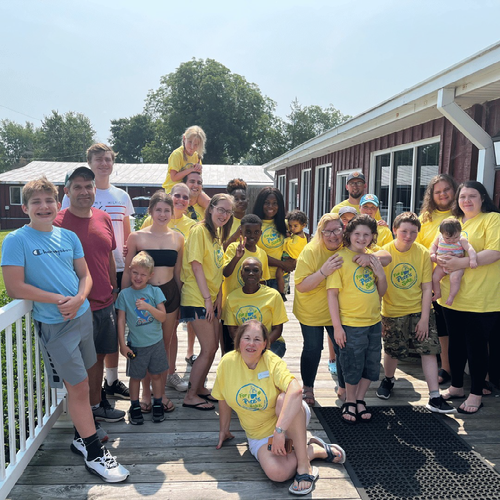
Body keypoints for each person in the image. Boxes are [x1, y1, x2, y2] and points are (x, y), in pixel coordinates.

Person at [1, 177, 129, 482]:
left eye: (49, 201)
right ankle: (95, 454)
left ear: (59, 204)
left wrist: (80, 298)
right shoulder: (17, 240)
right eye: (36, 202)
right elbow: (14, 287)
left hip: (82, 316)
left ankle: (80, 437)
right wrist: (59, 300)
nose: (44, 206)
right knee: (78, 386)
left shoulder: (68, 236)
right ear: (25, 207)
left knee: (85, 377)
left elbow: (85, 275)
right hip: (55, 323)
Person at [213, 320, 346, 495]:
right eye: (247, 338)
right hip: (258, 434)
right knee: (277, 473)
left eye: (257, 339)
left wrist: (279, 431)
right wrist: (224, 430)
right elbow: (222, 397)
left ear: (265, 344)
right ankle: (312, 451)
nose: (251, 344)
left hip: (288, 420)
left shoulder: (271, 361)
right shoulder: (227, 363)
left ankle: (304, 466)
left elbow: (296, 390)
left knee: (285, 398)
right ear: (238, 341)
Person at [62, 143, 134, 400]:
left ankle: (107, 385)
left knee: (109, 338)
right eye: (98, 159)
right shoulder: (64, 211)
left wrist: (117, 282)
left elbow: (123, 237)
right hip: (78, 289)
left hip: (111, 277)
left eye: (108, 159)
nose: (104, 163)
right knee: (84, 349)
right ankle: (88, 400)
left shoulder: (117, 201)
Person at [54, 166, 125, 426]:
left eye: (88, 186)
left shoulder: (103, 218)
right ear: (67, 191)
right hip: (76, 306)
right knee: (78, 362)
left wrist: (113, 289)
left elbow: (108, 256)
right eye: (77, 187)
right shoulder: (57, 223)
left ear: (95, 189)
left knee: (98, 357)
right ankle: (82, 414)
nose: (84, 191)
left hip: (104, 302)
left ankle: (96, 405)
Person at [376, 212, 455, 414]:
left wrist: (424, 318)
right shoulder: (385, 252)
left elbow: (427, 287)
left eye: (413, 232)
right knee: (392, 351)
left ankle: (435, 396)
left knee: (428, 350)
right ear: (394, 230)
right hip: (393, 311)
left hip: (420, 310)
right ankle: (388, 379)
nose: (408, 236)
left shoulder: (422, 253)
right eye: (404, 231)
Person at [437, 181, 500, 414]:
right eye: (463, 196)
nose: (467, 200)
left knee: (476, 346)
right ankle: (456, 387)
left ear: (483, 198)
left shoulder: (492, 219)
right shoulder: (455, 222)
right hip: (451, 297)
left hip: (481, 297)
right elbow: (439, 246)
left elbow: (495, 252)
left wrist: (459, 263)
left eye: (472, 196)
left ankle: (475, 393)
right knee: (455, 344)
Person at [122, 191, 185, 412]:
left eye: (167, 210)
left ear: (172, 213)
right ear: (150, 211)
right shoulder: (136, 237)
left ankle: (161, 393)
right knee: (145, 345)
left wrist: (179, 300)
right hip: (143, 295)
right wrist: (124, 299)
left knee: (163, 345)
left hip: (169, 294)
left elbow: (178, 272)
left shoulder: (178, 238)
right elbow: (128, 271)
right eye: (158, 210)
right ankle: (145, 394)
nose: (162, 214)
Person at [327, 214, 388, 424]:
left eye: (366, 235)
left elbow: (381, 292)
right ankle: (350, 400)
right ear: (349, 234)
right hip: (351, 324)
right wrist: (337, 327)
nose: (362, 238)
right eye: (357, 234)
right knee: (352, 364)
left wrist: (380, 273)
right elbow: (332, 295)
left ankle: (361, 399)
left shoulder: (372, 258)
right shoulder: (340, 259)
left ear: (372, 237)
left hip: (373, 322)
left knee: (371, 364)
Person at [180, 193, 234, 410]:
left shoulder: (216, 235)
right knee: (208, 347)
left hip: (210, 298)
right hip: (197, 297)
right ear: (210, 208)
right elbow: (196, 266)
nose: (224, 215)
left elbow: (217, 269)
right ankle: (190, 395)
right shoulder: (199, 231)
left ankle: (200, 387)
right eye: (221, 209)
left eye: (228, 212)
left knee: (212, 348)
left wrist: (218, 297)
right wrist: (207, 300)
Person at [293, 214, 345, 406]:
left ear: (343, 230)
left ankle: (343, 387)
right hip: (311, 310)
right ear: (320, 233)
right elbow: (301, 286)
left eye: (337, 230)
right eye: (327, 232)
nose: (333, 235)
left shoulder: (347, 247)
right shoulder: (310, 251)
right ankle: (308, 387)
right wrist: (324, 271)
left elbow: (380, 254)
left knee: (342, 348)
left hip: (337, 310)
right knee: (313, 348)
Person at [117, 252, 169, 425]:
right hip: (136, 345)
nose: (138, 277)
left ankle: (158, 404)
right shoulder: (124, 295)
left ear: (150, 276)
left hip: (156, 343)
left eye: (143, 274)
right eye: (135, 273)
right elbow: (121, 320)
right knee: (135, 377)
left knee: (156, 375)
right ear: (130, 271)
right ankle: (135, 406)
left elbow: (163, 317)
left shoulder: (155, 292)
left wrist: (148, 307)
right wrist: (122, 344)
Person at [416, 173, 458, 385]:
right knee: (442, 328)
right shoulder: (425, 218)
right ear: (431, 195)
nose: (442, 194)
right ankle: (446, 368)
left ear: (454, 190)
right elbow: (417, 247)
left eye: (446, 189)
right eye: (437, 191)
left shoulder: (461, 214)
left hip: (461, 281)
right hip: (433, 281)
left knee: (461, 329)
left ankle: (480, 374)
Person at [222, 214, 270, 352]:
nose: (252, 236)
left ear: (260, 233)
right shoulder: (233, 248)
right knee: (230, 349)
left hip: (253, 309)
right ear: (241, 232)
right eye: (247, 232)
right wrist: (237, 257)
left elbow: (263, 282)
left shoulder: (262, 254)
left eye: (256, 232)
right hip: (232, 308)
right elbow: (226, 272)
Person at [224, 257, 288, 357]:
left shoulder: (273, 295)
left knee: (263, 360)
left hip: (271, 342)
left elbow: (277, 330)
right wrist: (249, 347)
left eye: (255, 270)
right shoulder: (231, 298)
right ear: (241, 273)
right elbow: (233, 332)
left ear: (261, 274)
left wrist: (260, 346)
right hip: (244, 344)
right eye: (247, 270)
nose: (251, 273)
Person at [253, 187, 295, 293]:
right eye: (266, 203)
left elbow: (298, 245)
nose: (270, 206)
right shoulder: (254, 225)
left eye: (275, 203)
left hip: (281, 277)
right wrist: (282, 264)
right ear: (260, 204)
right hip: (261, 277)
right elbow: (254, 253)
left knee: (279, 304)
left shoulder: (287, 225)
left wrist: (293, 261)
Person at [430, 218, 477, 306]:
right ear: (442, 234)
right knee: (434, 278)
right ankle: (437, 293)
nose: (452, 240)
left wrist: (473, 259)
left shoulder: (461, 240)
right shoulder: (439, 238)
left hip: (457, 266)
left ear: (460, 232)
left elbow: (470, 249)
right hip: (442, 265)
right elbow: (434, 245)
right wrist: (432, 253)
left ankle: (451, 296)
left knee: (455, 279)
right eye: (448, 238)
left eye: (455, 237)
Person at [162, 125, 210, 210]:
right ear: (184, 138)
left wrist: (199, 170)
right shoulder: (177, 154)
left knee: (209, 203)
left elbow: (197, 177)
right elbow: (174, 177)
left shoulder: (197, 156)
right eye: (190, 142)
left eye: (196, 145)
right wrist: (191, 169)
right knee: (180, 209)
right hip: (173, 188)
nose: (192, 147)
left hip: (190, 189)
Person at [276, 210, 308, 299]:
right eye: (290, 226)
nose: (292, 228)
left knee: (279, 274)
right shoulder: (298, 233)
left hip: (289, 259)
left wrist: (287, 239)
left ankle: (282, 292)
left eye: (295, 226)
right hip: (290, 259)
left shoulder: (299, 238)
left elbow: (292, 249)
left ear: (303, 225)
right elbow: (286, 221)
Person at [225, 178, 249, 249]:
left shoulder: (251, 221)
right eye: (236, 199)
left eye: (243, 198)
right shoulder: (225, 221)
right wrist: (236, 235)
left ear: (248, 200)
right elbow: (220, 249)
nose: (240, 201)